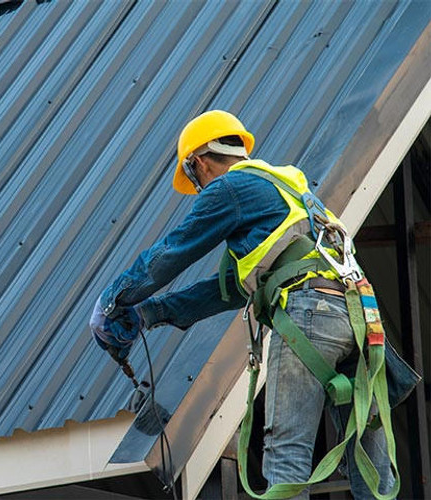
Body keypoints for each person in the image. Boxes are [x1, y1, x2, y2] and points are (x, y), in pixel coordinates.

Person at [90, 110, 412, 499]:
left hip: (308, 315)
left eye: (195, 179)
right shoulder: (286, 190)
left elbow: (172, 252)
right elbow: (227, 290)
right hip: (357, 318)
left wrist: (113, 302)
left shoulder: (229, 189)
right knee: (370, 462)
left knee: (287, 454)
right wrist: (149, 314)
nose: (199, 189)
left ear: (200, 162)